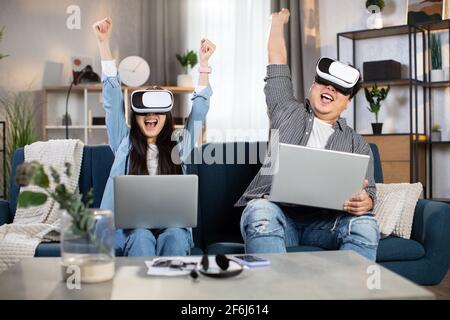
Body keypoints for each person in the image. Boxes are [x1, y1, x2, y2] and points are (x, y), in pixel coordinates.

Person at [236, 9, 380, 261]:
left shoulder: (358, 144)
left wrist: (365, 201)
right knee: (258, 210)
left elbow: (370, 192)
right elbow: (276, 60)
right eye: (324, 83)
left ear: (347, 102)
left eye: (339, 90)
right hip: (278, 216)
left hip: (325, 225)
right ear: (312, 86)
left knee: (367, 225)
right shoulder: (285, 110)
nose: (330, 90)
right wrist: (277, 22)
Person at [93, 17, 215, 256]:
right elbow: (112, 102)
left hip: (172, 227)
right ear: (136, 116)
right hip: (131, 230)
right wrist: (103, 43)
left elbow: (199, 112)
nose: (151, 115)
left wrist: (204, 65)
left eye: (158, 109)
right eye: (144, 110)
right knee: (141, 236)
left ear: (167, 115)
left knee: (177, 237)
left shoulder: (180, 145)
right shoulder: (123, 142)